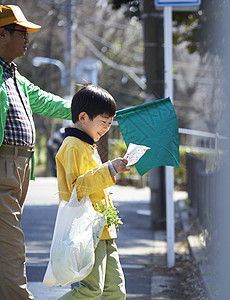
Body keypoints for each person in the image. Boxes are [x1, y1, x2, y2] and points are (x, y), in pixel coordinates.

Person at [0, 5, 71, 300]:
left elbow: (46, 101)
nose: (28, 39)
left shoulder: (13, 75)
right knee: (11, 244)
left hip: (19, 167)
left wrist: (88, 107)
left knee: (6, 240)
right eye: (22, 33)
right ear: (2, 34)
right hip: (5, 166)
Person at [56, 85, 129, 300]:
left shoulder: (86, 145)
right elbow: (77, 187)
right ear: (83, 117)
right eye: (103, 122)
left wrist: (110, 169)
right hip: (87, 229)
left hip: (103, 228)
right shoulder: (73, 145)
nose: (106, 128)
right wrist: (110, 169)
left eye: (109, 123)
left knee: (115, 291)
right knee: (91, 290)